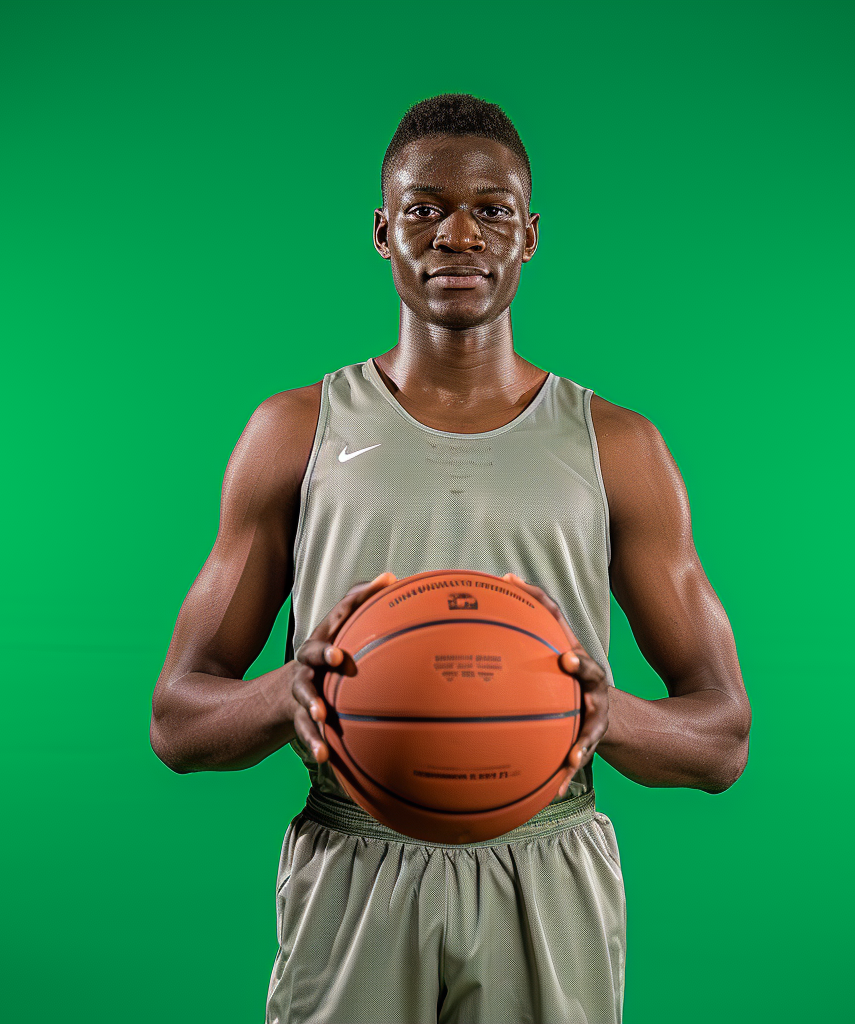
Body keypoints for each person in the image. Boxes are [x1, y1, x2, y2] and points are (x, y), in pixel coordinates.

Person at [150, 92, 751, 1024]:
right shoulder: (294, 431)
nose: (459, 234)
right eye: (426, 208)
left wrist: (602, 713)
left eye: (492, 209)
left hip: (547, 862)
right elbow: (176, 721)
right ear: (384, 232)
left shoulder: (618, 446)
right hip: (354, 856)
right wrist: (291, 692)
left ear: (531, 234)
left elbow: (722, 737)